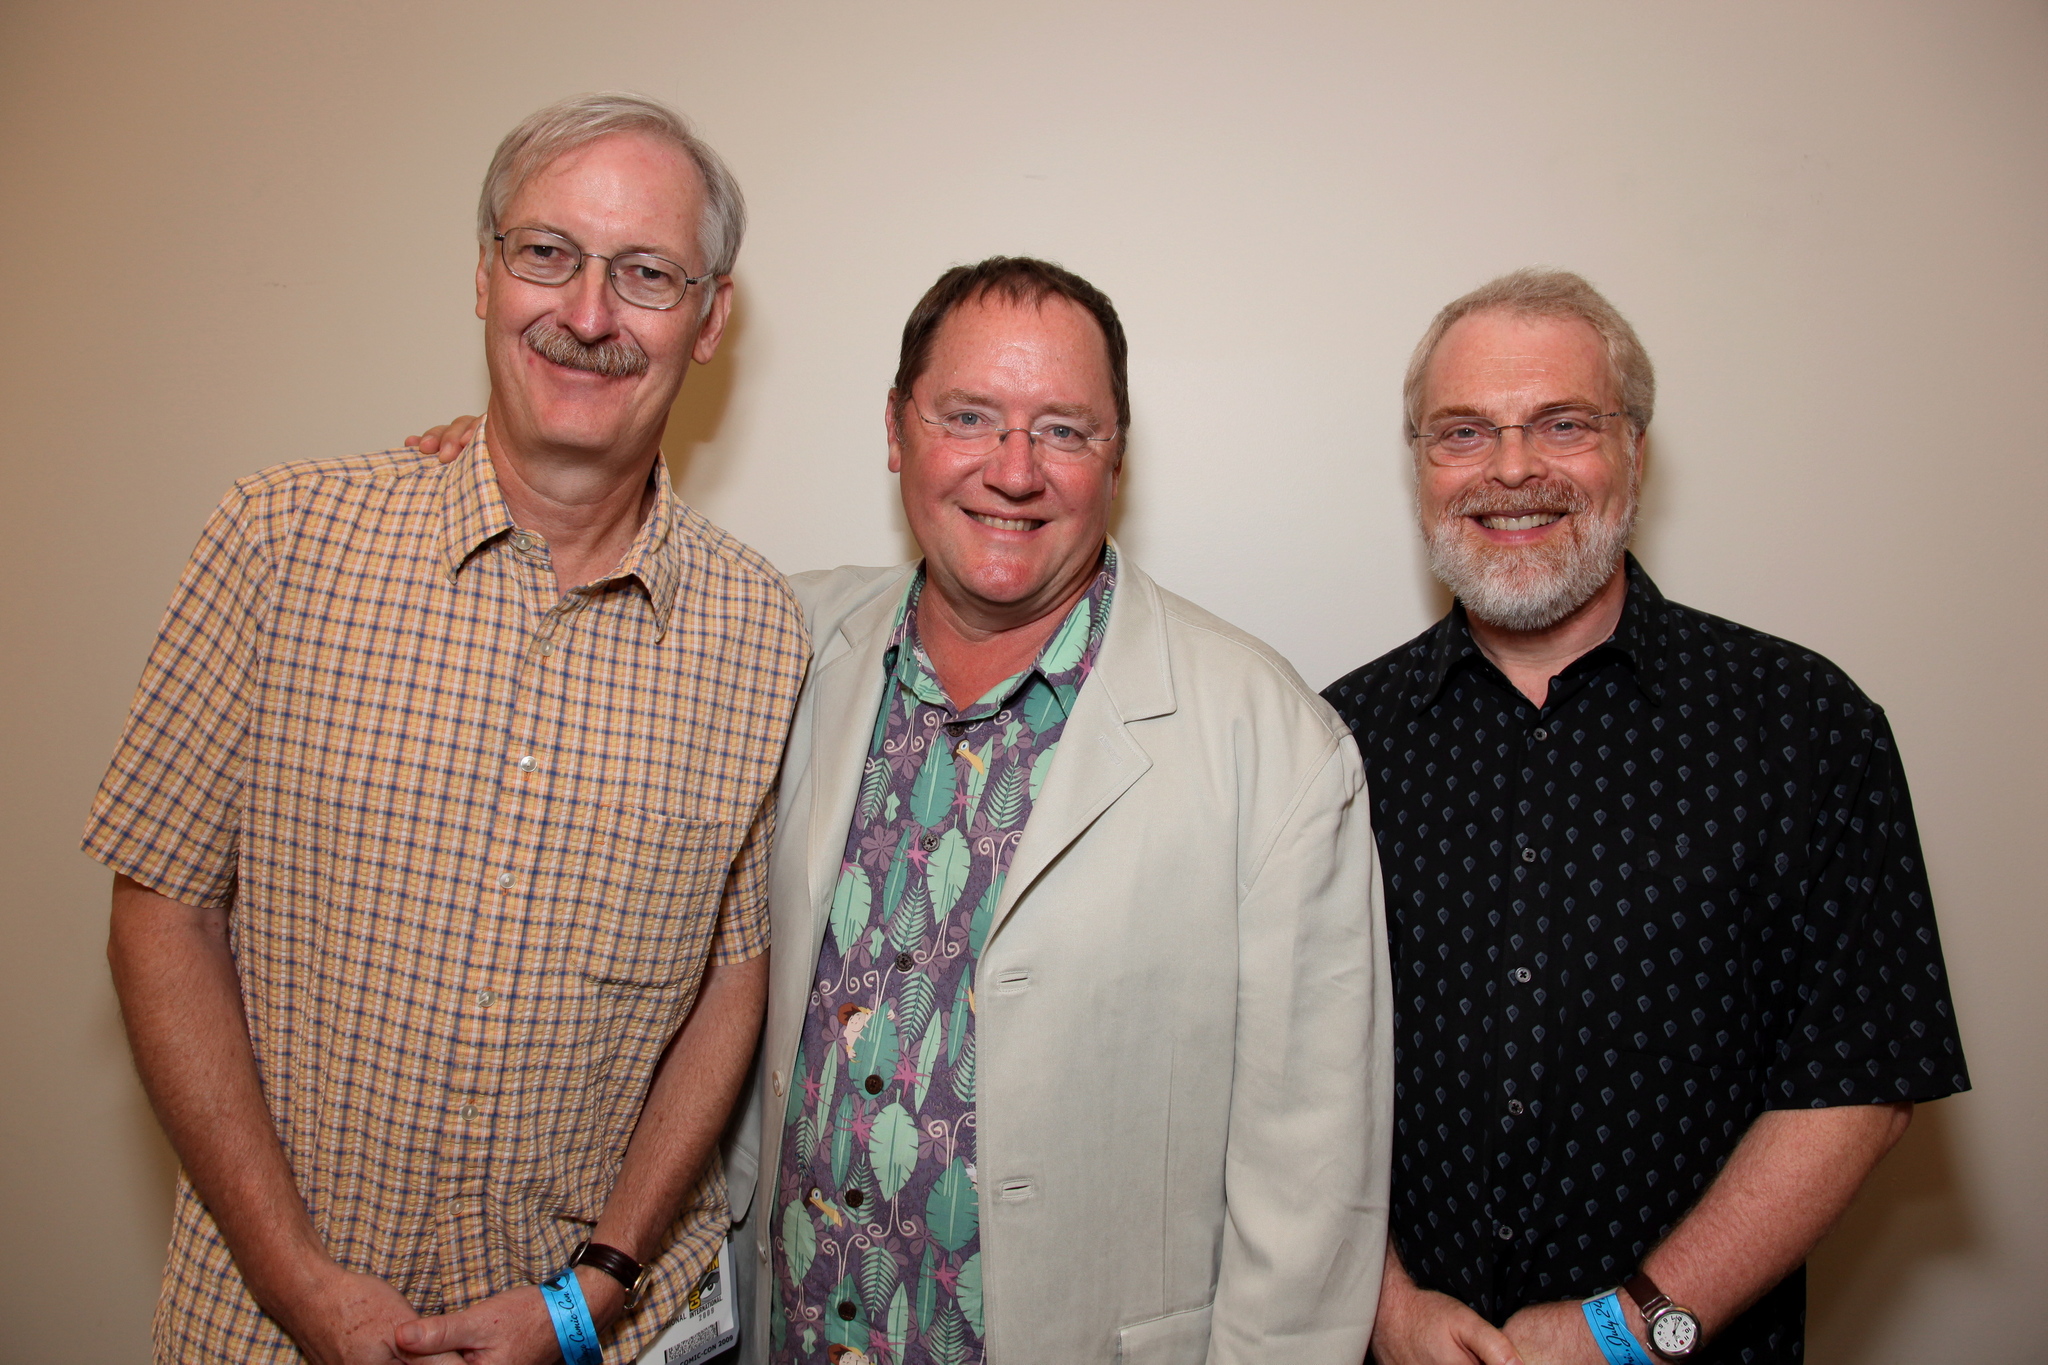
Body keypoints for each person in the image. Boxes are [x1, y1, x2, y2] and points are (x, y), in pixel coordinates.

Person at [84, 93, 806, 1365]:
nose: (587, 314)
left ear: (709, 319)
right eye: (546, 254)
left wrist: (590, 1294)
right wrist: (298, 1282)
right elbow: (162, 914)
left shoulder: (759, 631)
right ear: (482, 274)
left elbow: (728, 984)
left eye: (645, 274)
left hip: (592, 1339)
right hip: (259, 1328)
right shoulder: (280, 540)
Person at [1322, 270, 1970, 1365]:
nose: (1511, 468)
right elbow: (1283, 1074)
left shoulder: (1804, 726)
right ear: (1419, 466)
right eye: (1462, 432)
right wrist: (1380, 1307)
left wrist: (1628, 1333)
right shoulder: (1331, 743)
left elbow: (1856, 1085)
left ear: (1635, 453)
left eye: (1562, 424)